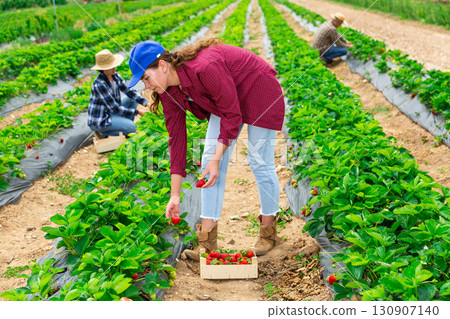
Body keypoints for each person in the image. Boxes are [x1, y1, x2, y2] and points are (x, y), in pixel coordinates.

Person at [127, 39, 286, 260]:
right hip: (230, 100)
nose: (146, 86)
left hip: (259, 91)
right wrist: (174, 196)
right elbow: (177, 138)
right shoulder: (168, 90)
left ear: (162, 66)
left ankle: (268, 233)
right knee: (209, 162)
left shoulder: (205, 68)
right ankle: (207, 240)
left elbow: (232, 114)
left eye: (145, 77)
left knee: (260, 161)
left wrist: (217, 158)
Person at [88, 49, 150, 138]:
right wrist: (137, 112)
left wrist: (146, 102)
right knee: (133, 127)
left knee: (131, 98)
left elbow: (128, 91)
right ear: (103, 69)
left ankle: (126, 128)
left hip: (112, 111)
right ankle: (104, 133)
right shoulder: (99, 84)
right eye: (111, 67)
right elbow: (115, 108)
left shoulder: (115, 76)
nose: (114, 68)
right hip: (101, 118)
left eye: (114, 65)